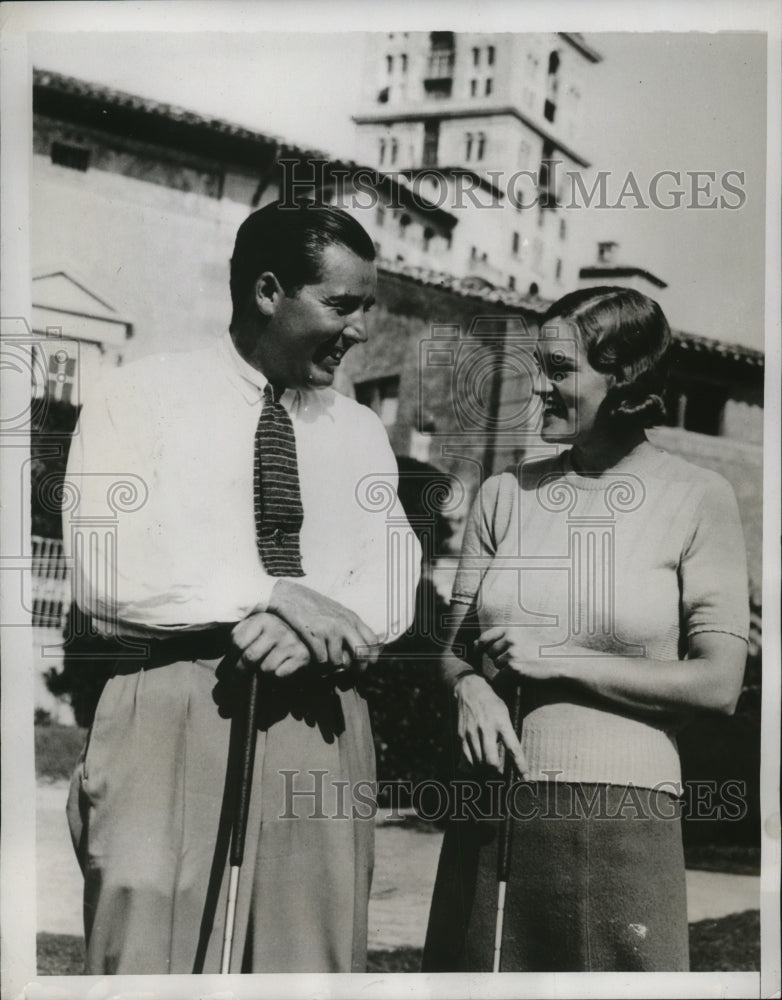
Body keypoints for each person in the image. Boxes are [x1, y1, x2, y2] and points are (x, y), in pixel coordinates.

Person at [63, 201, 421, 974]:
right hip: (170, 698)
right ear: (268, 291)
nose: (360, 330)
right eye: (342, 305)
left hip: (319, 709)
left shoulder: (357, 432)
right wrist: (269, 593)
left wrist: (313, 627)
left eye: (369, 308)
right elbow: (104, 566)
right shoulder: (141, 396)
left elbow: (392, 576)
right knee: (145, 958)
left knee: (307, 965)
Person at [422, 286, 749, 972]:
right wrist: (470, 691)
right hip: (489, 810)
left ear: (625, 379)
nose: (537, 387)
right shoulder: (504, 493)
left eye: (560, 370)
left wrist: (563, 660)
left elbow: (720, 683)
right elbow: (453, 648)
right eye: (538, 366)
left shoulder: (698, 497)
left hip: (624, 813)